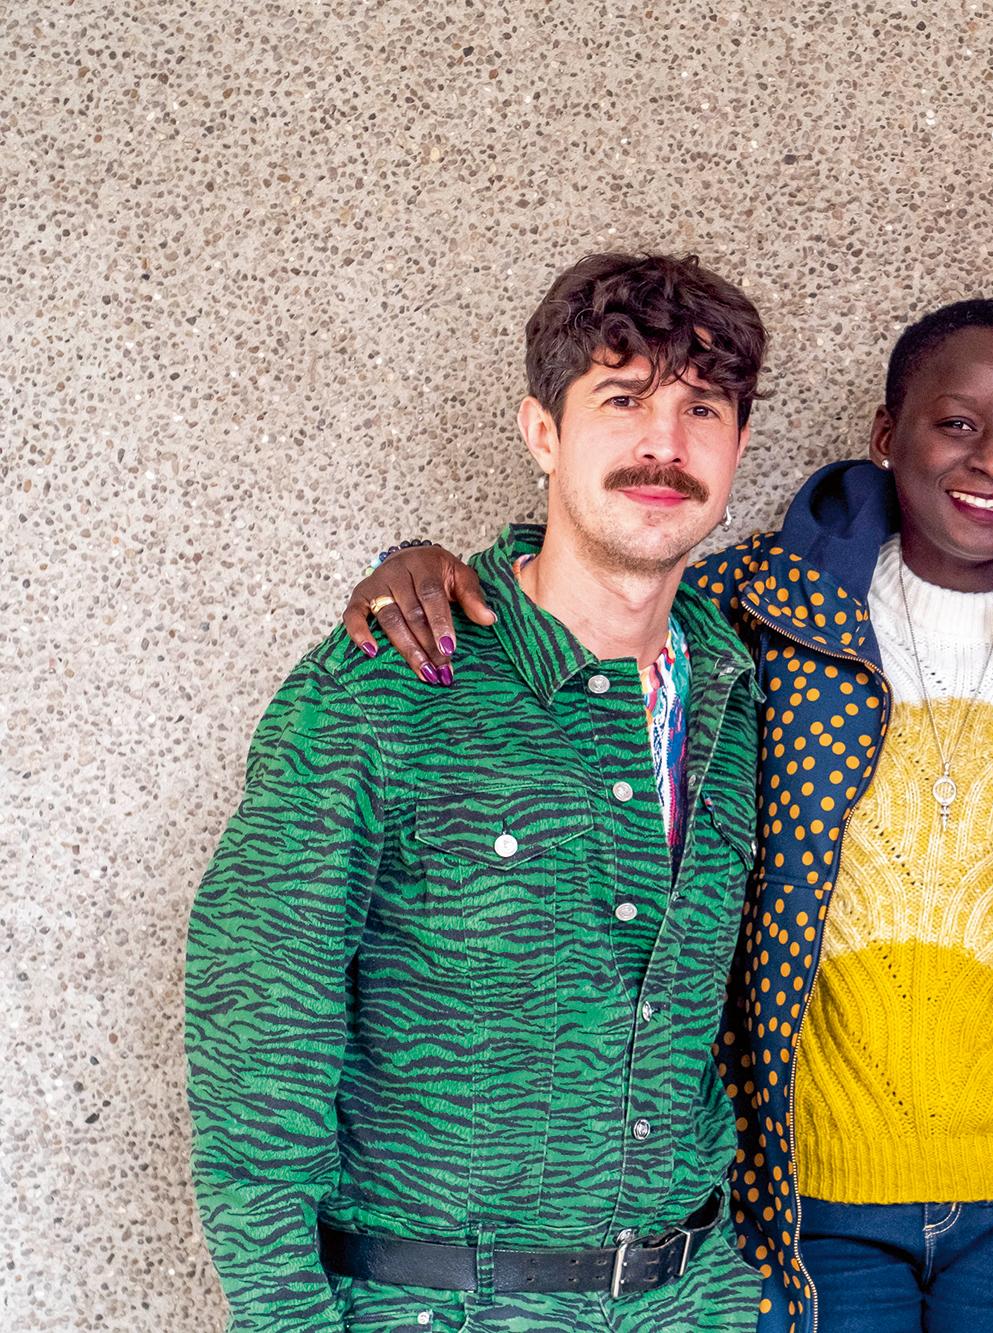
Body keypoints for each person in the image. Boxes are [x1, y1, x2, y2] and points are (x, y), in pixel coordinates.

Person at [343, 300, 993, 1333]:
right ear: (887, 435)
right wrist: (430, 565)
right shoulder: (757, 604)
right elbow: (602, 592)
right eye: (956, 425)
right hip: (810, 1192)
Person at [185, 252, 770, 1332]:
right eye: (623, 398)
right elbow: (259, 1034)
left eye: (703, 409)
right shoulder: (388, 684)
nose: (664, 444)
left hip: (687, 1305)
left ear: (737, 447)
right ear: (542, 432)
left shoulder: (733, 691)